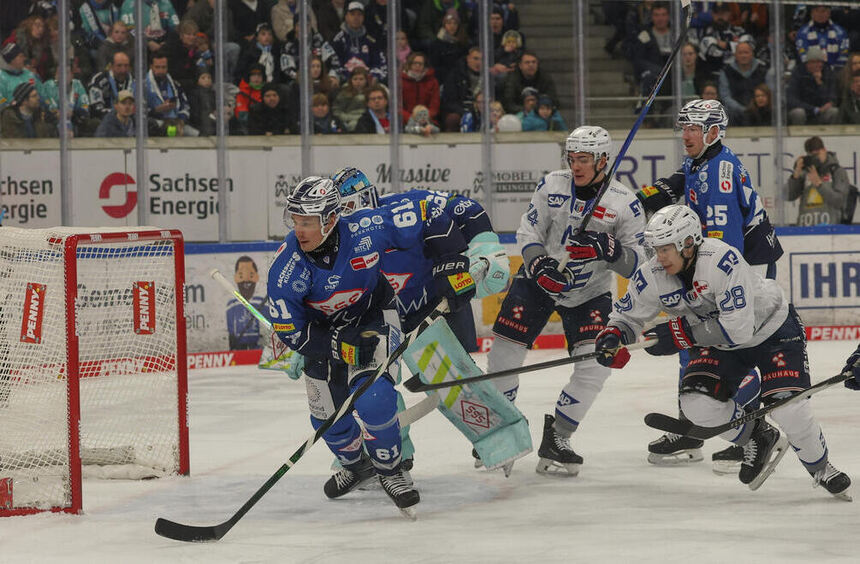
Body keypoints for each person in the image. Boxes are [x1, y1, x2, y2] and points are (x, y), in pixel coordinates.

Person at [595, 204, 851, 499]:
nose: (659, 257)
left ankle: (821, 468)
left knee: (788, 407)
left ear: (688, 243)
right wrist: (613, 336)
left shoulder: (720, 260)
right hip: (721, 344)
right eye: (655, 249)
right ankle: (757, 435)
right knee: (695, 404)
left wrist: (679, 335)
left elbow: (738, 328)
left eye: (665, 248)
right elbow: (627, 316)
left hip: (773, 332)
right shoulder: (653, 273)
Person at [267, 175, 474, 515]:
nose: (298, 230)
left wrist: (453, 261)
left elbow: (429, 211)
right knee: (327, 421)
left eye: (307, 222)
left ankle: (391, 470)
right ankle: (356, 464)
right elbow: (289, 330)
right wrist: (336, 344)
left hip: (373, 316)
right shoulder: (286, 269)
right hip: (322, 334)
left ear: (331, 219)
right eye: (296, 220)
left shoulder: (368, 226)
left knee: (375, 399)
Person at [485, 126, 647, 476]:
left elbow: (639, 263)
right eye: (572, 158)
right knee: (503, 354)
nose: (576, 165)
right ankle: (504, 431)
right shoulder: (551, 185)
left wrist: (610, 249)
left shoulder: (623, 202)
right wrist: (540, 264)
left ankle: (558, 438)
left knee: (595, 364)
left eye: (584, 159)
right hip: (537, 283)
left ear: (603, 159)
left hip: (590, 293)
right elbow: (529, 231)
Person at [634, 99, 783, 469]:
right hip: (729, 259)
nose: (686, 135)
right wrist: (645, 197)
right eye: (683, 127)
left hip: (743, 266)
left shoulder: (720, 174)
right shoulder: (704, 159)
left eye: (694, 129)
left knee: (729, 344)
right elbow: (682, 179)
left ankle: (744, 427)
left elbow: (725, 247)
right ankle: (695, 424)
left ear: (714, 132)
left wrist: (707, 289)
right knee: (694, 342)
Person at [332, 166, 508, 469]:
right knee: (372, 387)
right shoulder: (339, 243)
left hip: (434, 304)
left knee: (454, 380)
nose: (343, 218)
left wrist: (485, 249)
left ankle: (502, 440)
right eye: (337, 211)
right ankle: (391, 455)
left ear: (366, 199)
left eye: (347, 207)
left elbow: (466, 209)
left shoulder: (405, 208)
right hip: (383, 321)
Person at [786, 136, 852, 226]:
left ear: (824, 150)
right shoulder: (805, 172)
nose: (816, 158)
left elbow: (839, 201)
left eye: (817, 154)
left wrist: (819, 185)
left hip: (829, 229)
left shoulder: (836, 171)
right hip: (804, 229)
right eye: (812, 156)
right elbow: (788, 196)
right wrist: (795, 175)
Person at [330, 2, 387, 85]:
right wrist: (349, 78)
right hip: (346, 83)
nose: (356, 18)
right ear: (346, 17)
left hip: (368, 83)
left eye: (359, 15)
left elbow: (379, 63)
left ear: (363, 18)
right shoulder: (338, 40)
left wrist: (373, 76)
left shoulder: (371, 41)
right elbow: (334, 65)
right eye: (352, 14)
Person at [144, 50, 197, 136]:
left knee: (196, 135)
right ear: (151, 67)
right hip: (155, 123)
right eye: (157, 67)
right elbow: (137, 112)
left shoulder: (175, 85)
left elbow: (185, 106)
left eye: (163, 67)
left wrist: (181, 120)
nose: (161, 70)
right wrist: (157, 110)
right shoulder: (142, 86)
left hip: (176, 122)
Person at [717, 40, 768, 125]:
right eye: (740, 53)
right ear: (735, 55)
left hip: (760, 109)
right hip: (735, 113)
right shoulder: (726, 72)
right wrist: (742, 109)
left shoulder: (763, 70)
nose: (743, 56)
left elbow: (768, 93)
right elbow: (725, 96)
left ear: (752, 54)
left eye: (746, 52)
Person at [787, 45, 840, 126]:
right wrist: (813, 109)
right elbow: (792, 99)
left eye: (819, 62)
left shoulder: (828, 72)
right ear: (807, 63)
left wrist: (819, 82)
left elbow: (832, 97)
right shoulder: (798, 72)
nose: (817, 65)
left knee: (834, 111)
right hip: (805, 110)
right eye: (813, 62)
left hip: (822, 111)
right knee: (798, 113)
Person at [226, 256, 266, 350]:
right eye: (241, 275)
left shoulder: (261, 303)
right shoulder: (232, 305)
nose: (246, 280)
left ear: (257, 277)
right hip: (240, 349)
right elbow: (231, 331)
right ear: (235, 278)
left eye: (251, 275)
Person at [795, 4, 849, 69]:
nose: (820, 14)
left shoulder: (840, 32)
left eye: (823, 11)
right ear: (811, 13)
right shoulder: (802, 33)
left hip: (835, 72)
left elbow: (843, 54)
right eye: (816, 11)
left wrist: (833, 71)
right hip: (811, 73)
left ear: (829, 13)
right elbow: (803, 55)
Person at [87, 50, 134, 119]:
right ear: (111, 66)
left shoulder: (135, 81)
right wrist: (119, 114)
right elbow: (96, 108)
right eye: (119, 66)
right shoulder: (98, 80)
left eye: (126, 66)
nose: (123, 70)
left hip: (130, 121)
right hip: (106, 121)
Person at [0, 43, 44, 111]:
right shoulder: (2, 77)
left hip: (34, 114)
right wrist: (9, 105)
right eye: (20, 56)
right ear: (12, 60)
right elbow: (1, 99)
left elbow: (41, 92)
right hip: (11, 117)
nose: (24, 59)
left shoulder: (29, 74)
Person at [332, 66, 369, 131]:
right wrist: (346, 118)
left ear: (366, 80)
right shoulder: (344, 94)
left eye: (361, 79)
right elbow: (337, 110)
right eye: (355, 79)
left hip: (366, 120)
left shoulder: (371, 93)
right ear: (351, 80)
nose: (358, 82)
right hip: (348, 121)